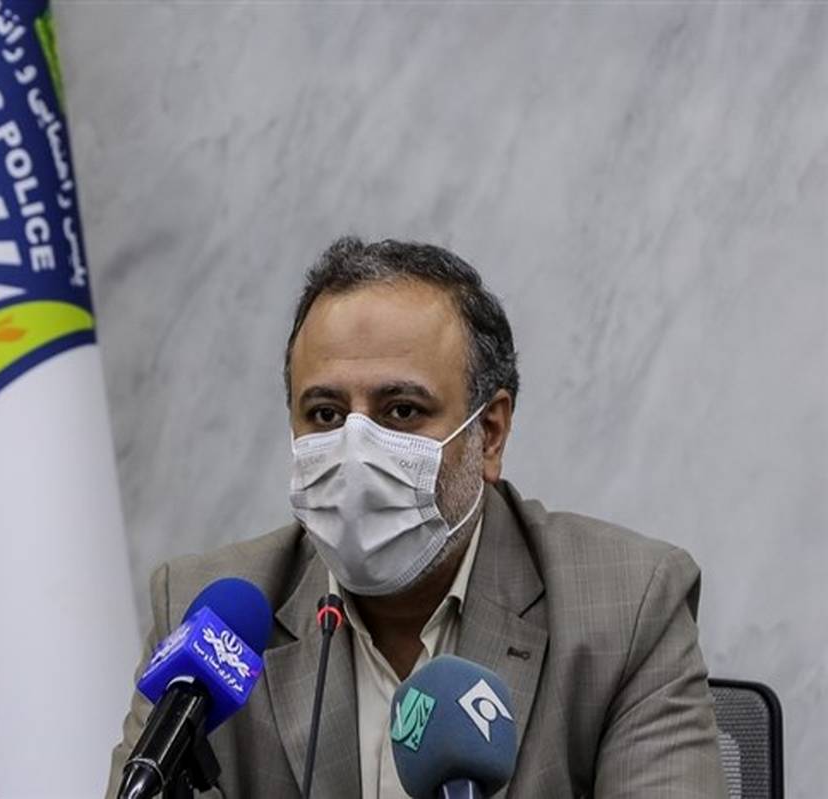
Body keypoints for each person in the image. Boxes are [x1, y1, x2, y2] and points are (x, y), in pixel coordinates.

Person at [106, 237, 728, 797]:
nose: (355, 449)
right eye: (325, 414)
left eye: (401, 411)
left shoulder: (626, 609)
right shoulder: (213, 621)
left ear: (489, 433)